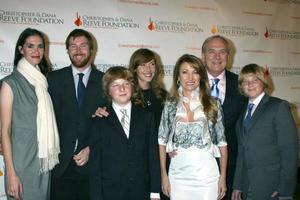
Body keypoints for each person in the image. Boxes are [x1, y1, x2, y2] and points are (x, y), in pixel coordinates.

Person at [0, 28, 60, 200]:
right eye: (30, 46)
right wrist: (11, 173)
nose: (36, 51)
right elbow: (5, 131)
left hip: (42, 162)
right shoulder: (10, 84)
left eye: (40, 46)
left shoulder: (42, 83)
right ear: (21, 49)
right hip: (20, 165)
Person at [158, 54, 228, 200]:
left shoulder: (213, 104)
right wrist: (164, 175)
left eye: (195, 72)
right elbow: (162, 142)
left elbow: (222, 143)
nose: (190, 77)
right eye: (185, 72)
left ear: (201, 76)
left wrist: (223, 177)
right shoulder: (169, 104)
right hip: (177, 176)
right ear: (178, 77)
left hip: (207, 176)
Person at [47, 29, 106, 200]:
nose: (78, 50)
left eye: (83, 46)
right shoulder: (53, 79)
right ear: (67, 50)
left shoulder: (106, 81)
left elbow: (111, 127)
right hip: (60, 167)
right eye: (73, 46)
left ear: (92, 49)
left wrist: (91, 149)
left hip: (93, 167)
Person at [89, 66, 161, 200]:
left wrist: (155, 191)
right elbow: (95, 166)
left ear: (132, 87)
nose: (122, 89)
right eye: (115, 85)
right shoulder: (99, 121)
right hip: (110, 192)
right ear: (108, 91)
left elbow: (153, 156)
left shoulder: (146, 117)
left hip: (141, 191)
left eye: (126, 84)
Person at [232, 63, 298, 200]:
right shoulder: (242, 110)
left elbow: (289, 151)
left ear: (263, 82)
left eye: (255, 80)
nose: (250, 84)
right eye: (245, 81)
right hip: (247, 185)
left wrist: (285, 189)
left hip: (272, 186)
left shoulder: (279, 107)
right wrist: (237, 184)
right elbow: (242, 151)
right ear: (241, 86)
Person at [201, 35, 246, 199]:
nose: (217, 57)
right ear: (203, 55)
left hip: (230, 166)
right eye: (211, 52)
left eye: (222, 52)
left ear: (228, 55)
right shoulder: (190, 82)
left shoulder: (241, 84)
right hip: (196, 165)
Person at [128, 48, 168, 126]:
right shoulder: (127, 95)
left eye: (152, 64)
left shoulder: (163, 95)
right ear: (135, 68)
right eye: (143, 65)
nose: (148, 69)